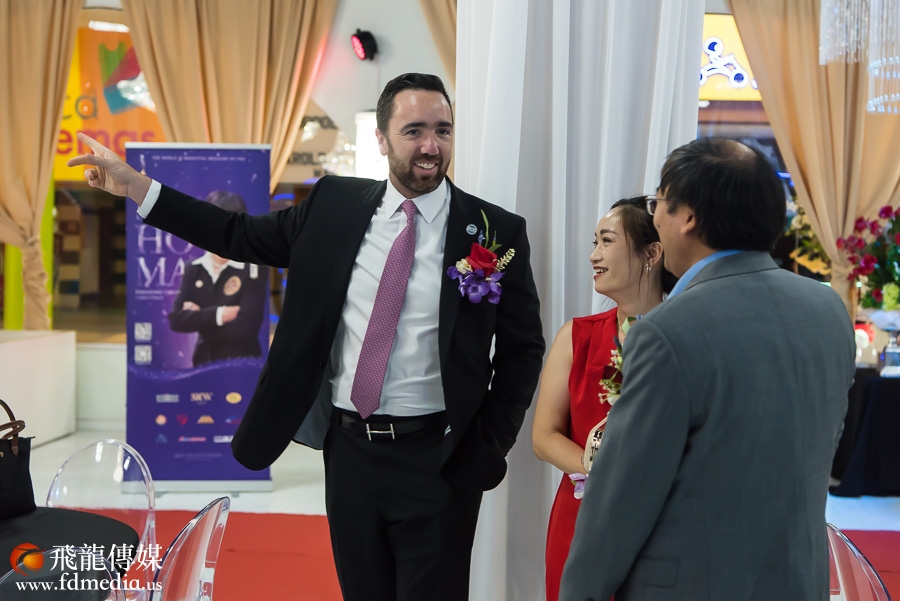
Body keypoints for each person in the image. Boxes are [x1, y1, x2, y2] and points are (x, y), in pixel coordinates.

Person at [68, 73, 545, 601]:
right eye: (414, 131)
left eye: (443, 130)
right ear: (382, 140)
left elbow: (523, 348)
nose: (431, 146)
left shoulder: (494, 231)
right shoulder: (334, 206)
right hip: (350, 453)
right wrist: (138, 187)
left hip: (440, 459)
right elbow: (236, 234)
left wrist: (488, 441)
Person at [560, 138, 855, 601]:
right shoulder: (828, 309)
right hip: (799, 579)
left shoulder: (667, 330)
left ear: (688, 218)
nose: (656, 218)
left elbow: (622, 498)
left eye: (660, 203)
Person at [532, 195, 676, 601]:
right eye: (594, 242)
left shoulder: (686, 335)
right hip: (583, 514)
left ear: (652, 253)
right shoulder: (576, 336)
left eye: (607, 241)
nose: (594, 255)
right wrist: (600, 470)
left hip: (661, 519)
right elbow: (543, 437)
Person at [167, 190, 267, 366]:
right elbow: (176, 320)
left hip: (241, 364)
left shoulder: (254, 267)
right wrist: (220, 314)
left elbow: (247, 327)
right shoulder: (194, 268)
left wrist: (199, 318)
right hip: (202, 362)